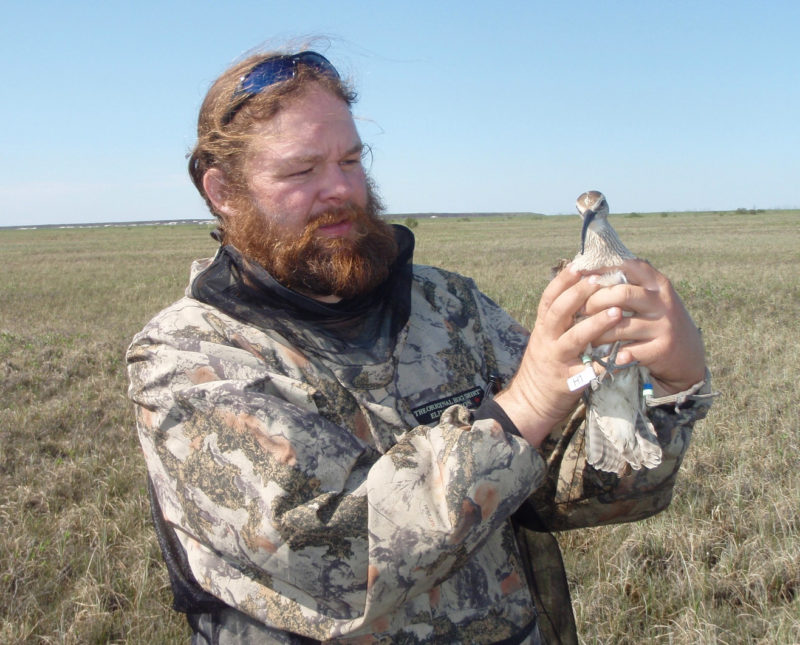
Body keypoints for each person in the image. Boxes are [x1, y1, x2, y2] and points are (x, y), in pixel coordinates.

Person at [126, 48, 714, 644]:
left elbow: (565, 493)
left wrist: (666, 387)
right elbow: (335, 565)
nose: (341, 188)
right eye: (301, 171)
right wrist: (525, 406)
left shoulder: (448, 305)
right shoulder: (188, 358)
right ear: (223, 191)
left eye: (351, 160)